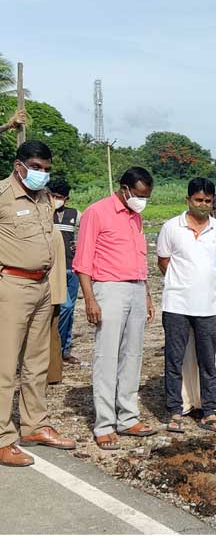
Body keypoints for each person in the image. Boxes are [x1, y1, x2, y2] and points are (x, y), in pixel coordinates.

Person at [0, 140, 76, 467]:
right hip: (11, 284)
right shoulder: (3, 195)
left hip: (42, 284)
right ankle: (3, 437)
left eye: (46, 169)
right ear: (19, 165)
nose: (41, 174)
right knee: (4, 365)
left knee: (37, 362)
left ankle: (34, 424)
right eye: (35, 167)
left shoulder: (44, 197)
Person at [73, 167, 157, 450]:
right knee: (107, 357)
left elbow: (139, 259)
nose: (142, 200)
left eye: (146, 196)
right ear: (125, 189)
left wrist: (145, 294)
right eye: (139, 195)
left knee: (132, 356)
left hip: (135, 287)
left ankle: (128, 416)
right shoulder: (96, 212)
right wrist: (90, 299)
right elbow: (83, 260)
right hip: (108, 288)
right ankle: (105, 424)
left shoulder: (137, 217)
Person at [157, 178, 216, 434]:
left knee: (207, 361)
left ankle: (209, 411)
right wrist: (184, 283)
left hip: (209, 307)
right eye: (198, 200)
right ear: (188, 200)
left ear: (213, 203)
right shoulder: (171, 228)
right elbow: (163, 262)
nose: (203, 205)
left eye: (208, 201)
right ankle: (175, 410)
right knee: (174, 359)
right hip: (176, 304)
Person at [179, 192, 216, 417]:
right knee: (189, 353)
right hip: (191, 301)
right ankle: (188, 401)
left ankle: (214, 402)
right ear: (215, 210)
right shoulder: (194, 233)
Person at [47, 179, 81, 364]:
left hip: (72, 268)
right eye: (54, 196)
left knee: (70, 309)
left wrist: (80, 243)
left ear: (66, 199)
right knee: (63, 307)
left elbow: (85, 235)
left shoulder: (75, 214)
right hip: (53, 270)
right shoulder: (44, 214)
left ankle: (65, 349)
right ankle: (55, 349)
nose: (56, 200)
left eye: (60, 197)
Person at [46, 203, 67, 386]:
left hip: (44, 291)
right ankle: (53, 373)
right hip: (55, 291)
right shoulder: (55, 232)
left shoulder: (47, 233)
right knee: (53, 334)